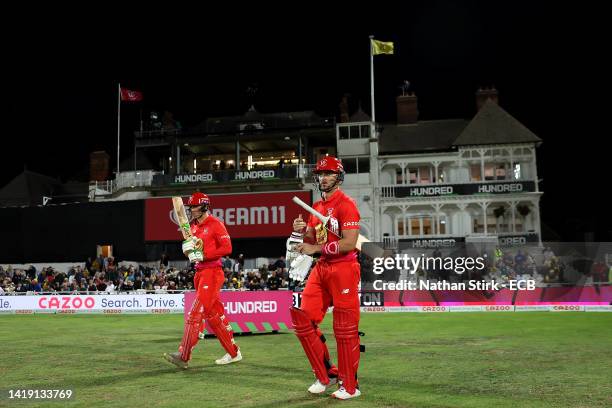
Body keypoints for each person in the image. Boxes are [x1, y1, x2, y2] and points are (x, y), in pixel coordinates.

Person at [288, 156, 363, 400]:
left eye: (329, 173)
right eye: (320, 174)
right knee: (303, 321)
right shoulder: (317, 208)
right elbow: (310, 242)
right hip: (321, 268)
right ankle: (325, 375)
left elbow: (350, 243)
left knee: (345, 328)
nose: (323, 178)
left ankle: (350, 386)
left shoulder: (346, 204)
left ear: (338, 177)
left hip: (344, 268)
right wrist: (300, 232)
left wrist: (317, 249)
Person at [164, 192, 242, 368]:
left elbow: (227, 247)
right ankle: (234, 352)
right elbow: (191, 250)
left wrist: (204, 254)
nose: (191, 210)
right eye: (190, 207)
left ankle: (183, 355)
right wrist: (188, 250)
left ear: (205, 206)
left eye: (194, 206)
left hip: (213, 272)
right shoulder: (192, 227)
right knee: (214, 316)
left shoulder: (215, 224)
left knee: (194, 314)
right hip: (199, 273)